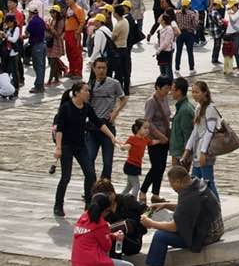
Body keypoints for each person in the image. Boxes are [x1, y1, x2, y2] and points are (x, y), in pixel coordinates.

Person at [138, 165, 223, 266]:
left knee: (160, 236)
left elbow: (174, 227)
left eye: (171, 183)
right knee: (164, 232)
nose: (171, 186)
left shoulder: (189, 197)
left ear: (178, 181)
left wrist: (151, 223)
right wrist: (166, 205)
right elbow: (187, 209)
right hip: (214, 229)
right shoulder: (196, 184)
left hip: (207, 235)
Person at [54, 81, 122, 216]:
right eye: (85, 90)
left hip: (80, 145)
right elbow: (59, 130)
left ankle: (89, 204)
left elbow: (98, 123)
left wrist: (111, 137)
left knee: (90, 174)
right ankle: (58, 205)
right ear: (77, 93)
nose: (88, 93)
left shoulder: (86, 107)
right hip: (67, 146)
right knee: (66, 177)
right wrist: (58, 147)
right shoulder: (66, 108)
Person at [71, 192, 135, 266]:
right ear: (105, 210)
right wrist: (110, 233)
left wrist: (112, 235)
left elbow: (93, 236)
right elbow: (107, 247)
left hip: (77, 264)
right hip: (90, 264)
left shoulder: (83, 217)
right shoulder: (101, 224)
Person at [87, 57, 127, 179]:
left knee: (108, 162)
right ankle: (91, 186)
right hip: (92, 127)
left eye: (103, 68)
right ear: (93, 69)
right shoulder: (89, 85)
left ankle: (105, 186)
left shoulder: (114, 83)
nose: (101, 70)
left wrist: (115, 112)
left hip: (108, 126)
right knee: (89, 158)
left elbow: (123, 99)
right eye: (98, 68)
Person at [90, 178, 148, 257]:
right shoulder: (101, 207)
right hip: (113, 239)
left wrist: (144, 222)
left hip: (132, 240)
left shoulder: (126, 200)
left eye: (108, 195)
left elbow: (147, 210)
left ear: (112, 192)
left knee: (126, 225)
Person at [183, 80, 220, 199]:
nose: (194, 95)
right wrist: (187, 150)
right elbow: (195, 132)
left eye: (197, 92)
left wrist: (203, 152)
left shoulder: (210, 109)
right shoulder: (198, 107)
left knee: (208, 182)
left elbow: (209, 132)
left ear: (205, 93)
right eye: (192, 92)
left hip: (206, 151)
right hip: (197, 150)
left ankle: (216, 207)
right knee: (195, 181)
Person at [140, 76, 172, 204]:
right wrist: (160, 135)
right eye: (165, 88)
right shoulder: (151, 102)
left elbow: (167, 116)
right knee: (156, 166)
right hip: (154, 139)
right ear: (157, 87)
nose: (167, 91)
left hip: (165, 139)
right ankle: (143, 190)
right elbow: (148, 121)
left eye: (169, 88)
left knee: (162, 166)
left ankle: (155, 193)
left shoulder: (165, 99)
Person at [121, 119, 161, 196]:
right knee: (136, 186)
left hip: (137, 166)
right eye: (145, 128)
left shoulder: (145, 139)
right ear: (137, 129)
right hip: (130, 165)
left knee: (129, 186)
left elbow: (152, 142)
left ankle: (119, 198)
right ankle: (133, 202)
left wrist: (160, 140)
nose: (147, 130)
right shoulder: (132, 139)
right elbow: (126, 146)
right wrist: (124, 147)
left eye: (148, 128)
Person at [168, 77, 196, 170]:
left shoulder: (185, 110)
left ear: (179, 91)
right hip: (178, 151)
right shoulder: (183, 107)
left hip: (180, 154)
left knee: (179, 181)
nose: (170, 92)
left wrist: (186, 155)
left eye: (172, 90)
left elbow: (187, 134)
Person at [174, 0, 199, 73]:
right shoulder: (192, 13)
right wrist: (197, 16)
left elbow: (175, 22)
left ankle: (177, 68)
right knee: (190, 52)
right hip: (189, 34)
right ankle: (191, 68)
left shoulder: (177, 13)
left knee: (178, 51)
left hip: (180, 33)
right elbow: (195, 25)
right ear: (188, 5)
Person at [25, 7, 47, 93]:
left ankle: (38, 86)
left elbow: (27, 33)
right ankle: (40, 84)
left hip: (37, 45)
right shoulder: (41, 20)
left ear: (31, 13)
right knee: (42, 66)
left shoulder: (32, 22)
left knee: (38, 66)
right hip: (42, 44)